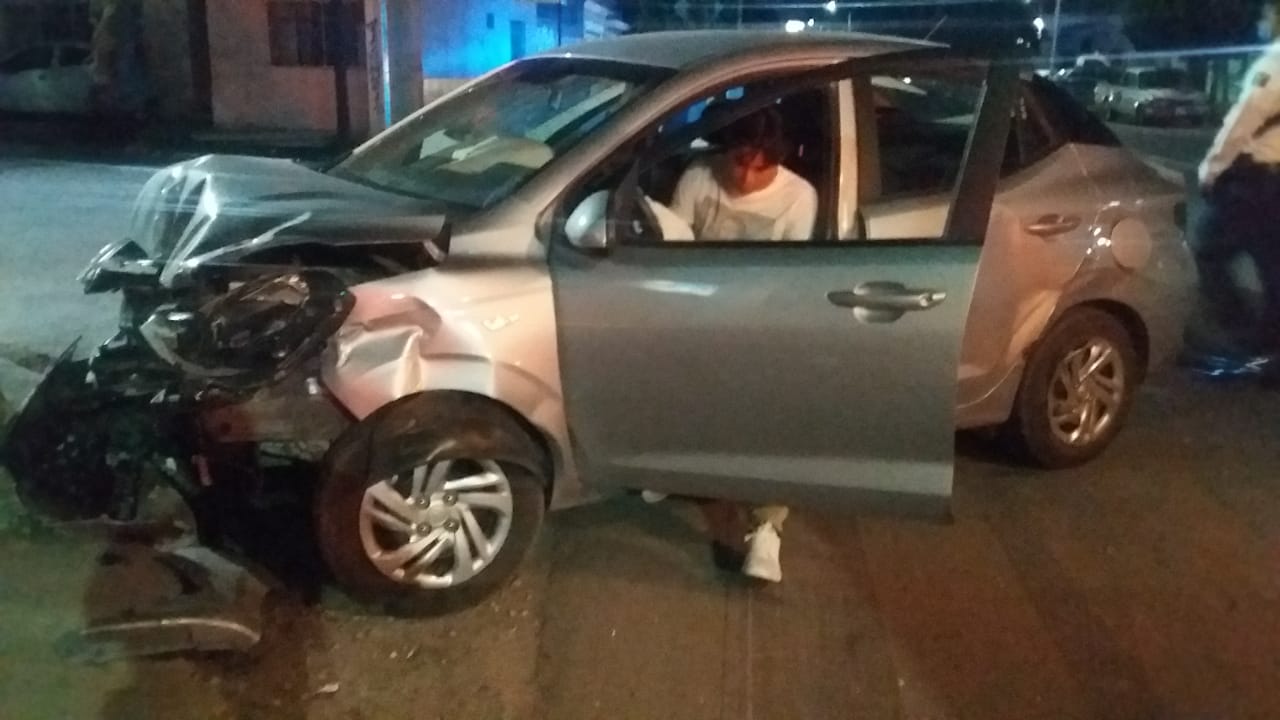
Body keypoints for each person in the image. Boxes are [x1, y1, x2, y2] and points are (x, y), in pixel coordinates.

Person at [646, 106, 818, 584]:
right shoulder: (699, 177)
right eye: (739, 161)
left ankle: (766, 527)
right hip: (696, 312)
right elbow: (674, 245)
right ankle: (676, 469)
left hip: (759, 323)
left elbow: (790, 280)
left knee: (767, 417)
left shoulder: (799, 197)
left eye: (760, 167)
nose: (745, 176)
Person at [1196, 0, 1280, 380]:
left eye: (1267, 14)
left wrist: (1211, 168)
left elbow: (1242, 120)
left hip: (1257, 180)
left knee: (1208, 248)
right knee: (1273, 265)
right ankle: (1269, 347)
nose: (1262, 21)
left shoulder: (1273, 63)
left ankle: (1241, 333)